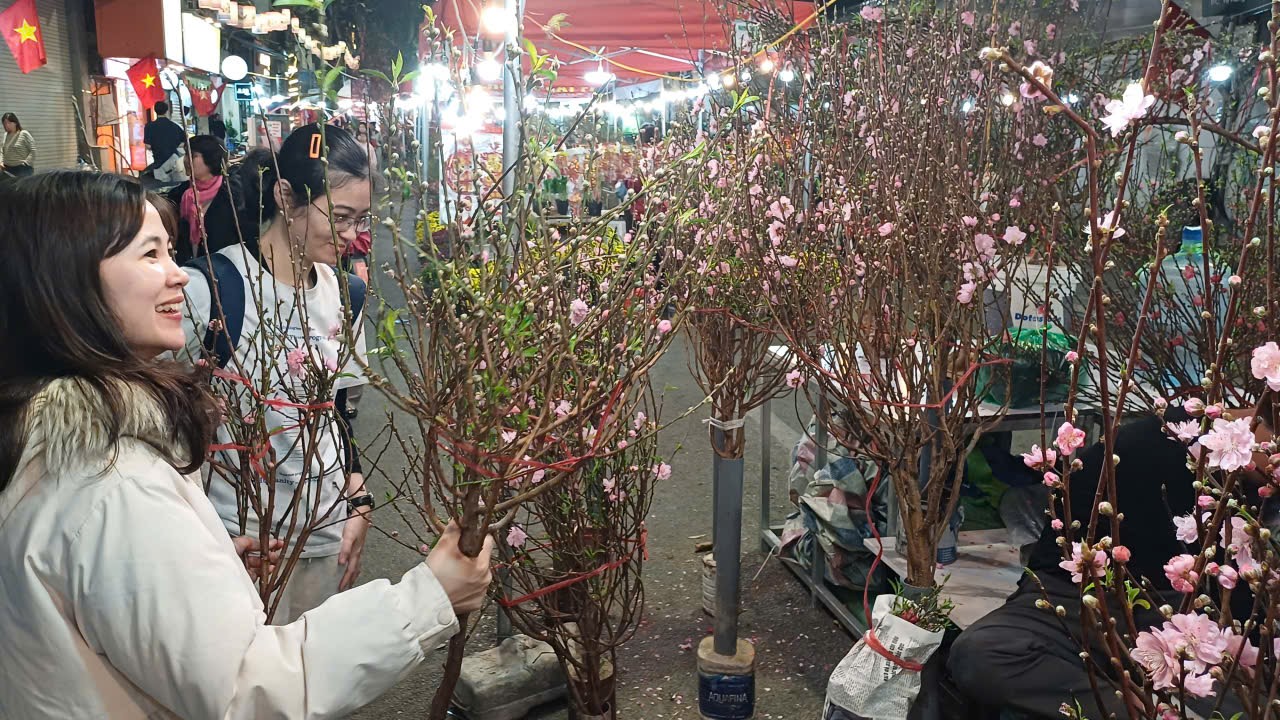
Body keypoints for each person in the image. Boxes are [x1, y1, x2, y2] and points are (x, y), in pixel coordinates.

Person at [0, 170, 494, 718]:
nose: (177, 274)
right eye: (150, 255)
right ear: (66, 282)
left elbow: (335, 409)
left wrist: (194, 558)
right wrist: (428, 600)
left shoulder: (47, 439)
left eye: (170, 252)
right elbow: (246, 687)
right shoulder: (114, 484)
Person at [947, 405, 1268, 718]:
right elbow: (1052, 570)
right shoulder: (1157, 441)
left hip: (1203, 627)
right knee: (981, 653)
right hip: (1084, 599)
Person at [179, 124, 380, 623]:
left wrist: (358, 495)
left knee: (318, 665)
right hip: (242, 539)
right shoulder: (210, 291)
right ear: (286, 196)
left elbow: (335, 411)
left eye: (361, 219)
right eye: (340, 217)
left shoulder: (346, 294)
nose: (352, 235)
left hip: (327, 531)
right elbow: (158, 420)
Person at [164, 135, 255, 265]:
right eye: (186, 154)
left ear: (211, 159)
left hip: (223, 268)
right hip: (188, 269)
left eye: (192, 155)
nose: (186, 160)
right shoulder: (178, 195)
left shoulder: (232, 195)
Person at [143, 100, 187, 173]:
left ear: (155, 111)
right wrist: (173, 145)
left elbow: (148, 146)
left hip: (158, 163)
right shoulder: (175, 126)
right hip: (174, 162)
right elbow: (184, 143)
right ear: (166, 111)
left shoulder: (149, 126)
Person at [1, 113, 36, 178]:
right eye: (5, 123)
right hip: (7, 169)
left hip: (21, 169)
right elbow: (2, 150)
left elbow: (33, 150)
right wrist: (1, 161)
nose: (6, 125)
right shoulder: (5, 135)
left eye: (9, 123)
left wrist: (26, 163)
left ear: (15, 123)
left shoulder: (24, 134)